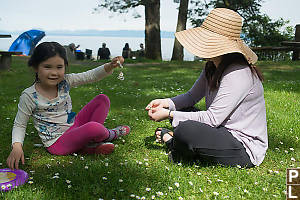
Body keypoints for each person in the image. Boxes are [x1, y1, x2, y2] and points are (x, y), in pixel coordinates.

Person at [146, 8, 267, 168]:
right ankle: (180, 145)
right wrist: (165, 102)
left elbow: (212, 119)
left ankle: (174, 145)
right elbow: (191, 97)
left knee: (186, 129)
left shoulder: (238, 73)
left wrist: (169, 114)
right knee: (186, 111)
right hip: (220, 130)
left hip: (242, 146)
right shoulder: (212, 66)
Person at [7, 42, 130, 170]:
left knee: (102, 100)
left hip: (73, 125)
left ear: (65, 67)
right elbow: (20, 124)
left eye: (59, 67)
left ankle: (90, 143)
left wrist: (110, 66)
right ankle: (111, 134)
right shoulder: (29, 96)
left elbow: (90, 76)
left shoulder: (65, 81)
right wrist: (16, 146)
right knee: (93, 128)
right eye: (47, 67)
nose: (54, 72)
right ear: (36, 67)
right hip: (58, 142)